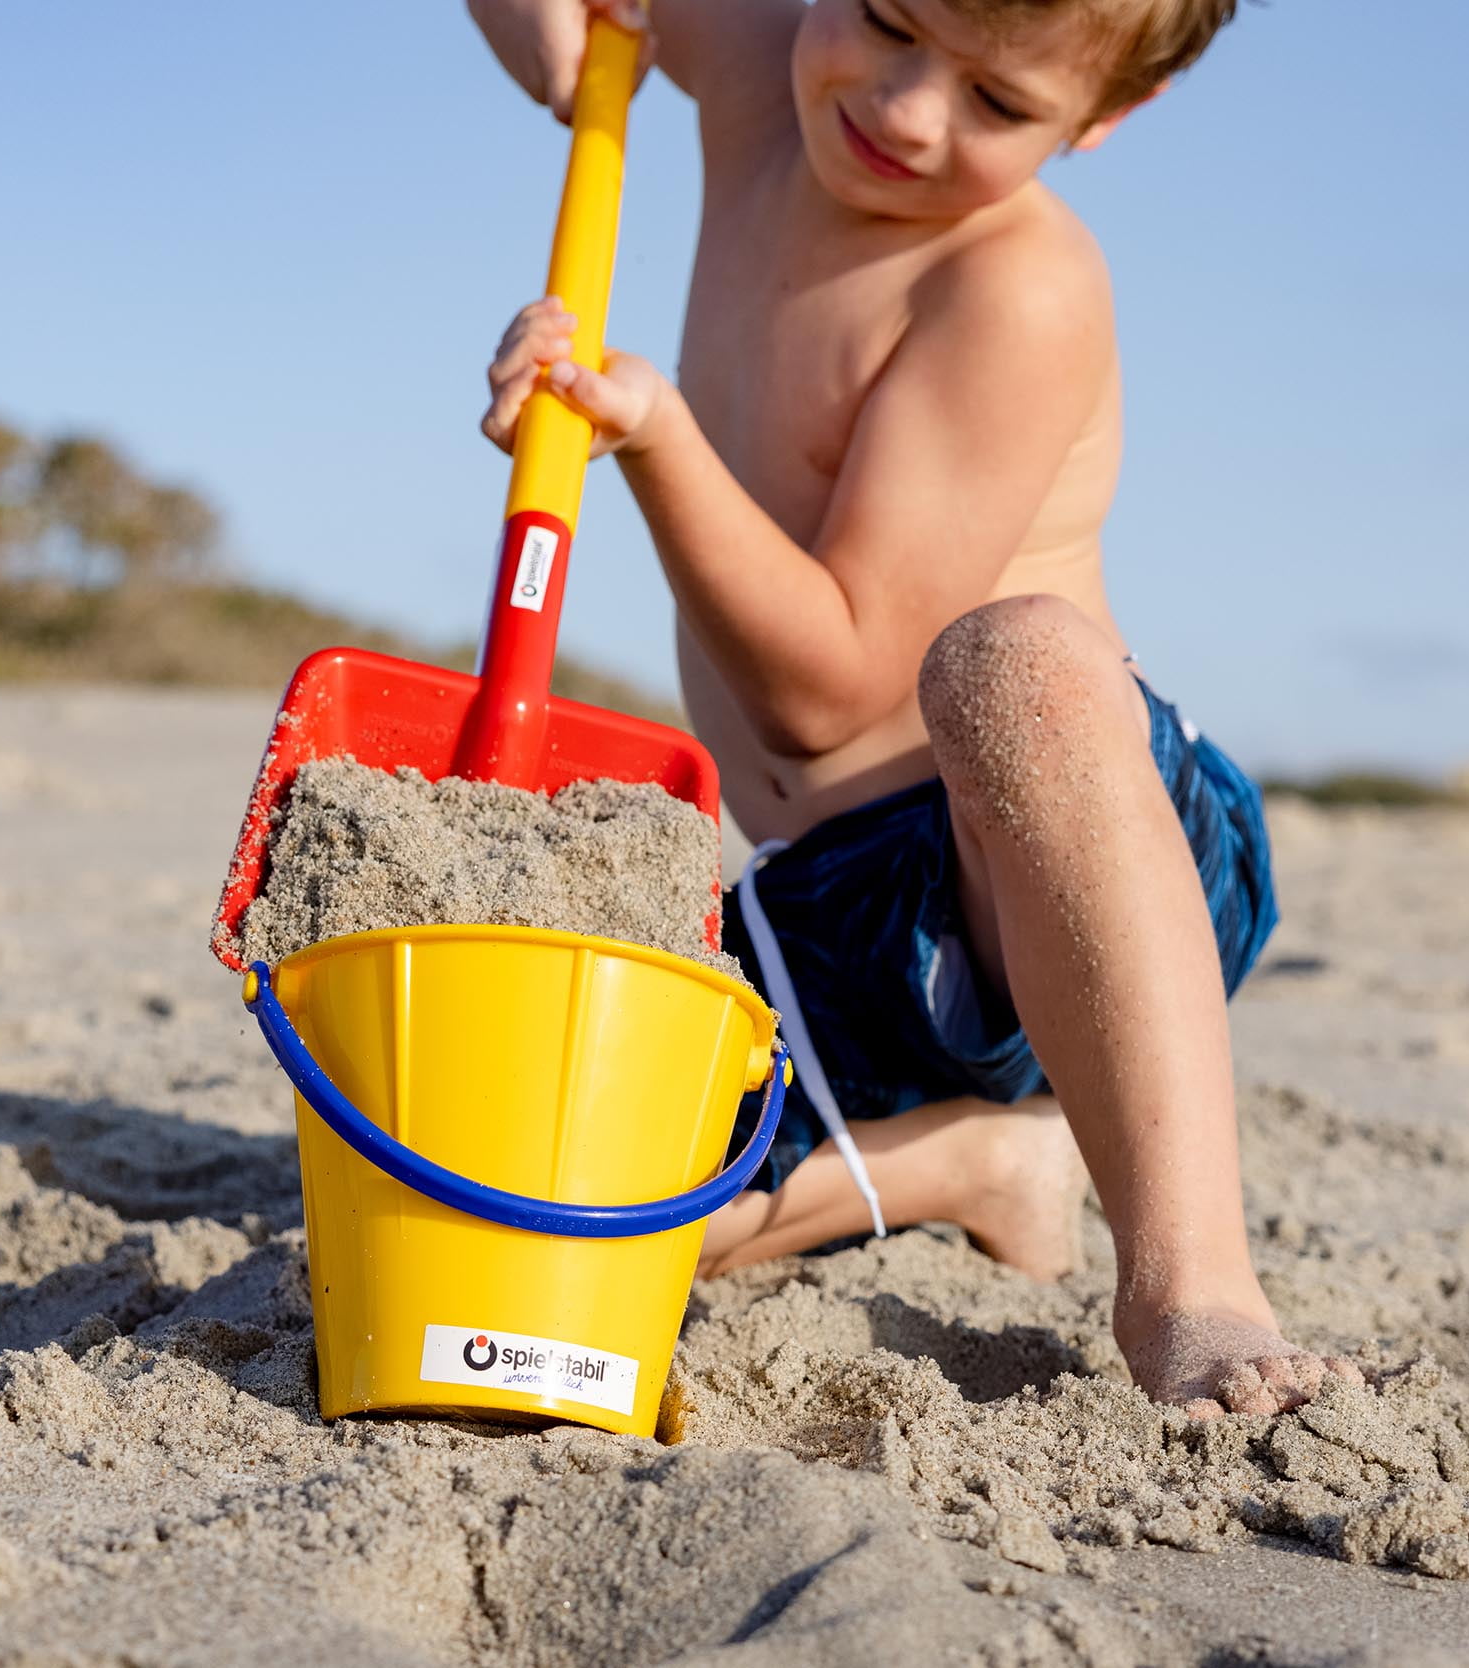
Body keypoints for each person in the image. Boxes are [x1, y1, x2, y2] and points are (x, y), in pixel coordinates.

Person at [468, 0, 1359, 1418]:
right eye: (887, 20)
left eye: (998, 103)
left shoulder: (1013, 285)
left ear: (1102, 117)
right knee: (524, 1207)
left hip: (1065, 863)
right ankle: (977, 1159)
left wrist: (654, 438)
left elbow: (824, 695)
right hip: (831, 905)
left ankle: (1193, 1283)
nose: (906, 110)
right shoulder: (764, 69)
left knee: (1014, 666)